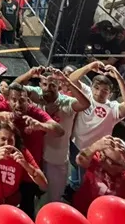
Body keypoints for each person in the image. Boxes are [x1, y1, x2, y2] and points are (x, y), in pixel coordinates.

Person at [17, 67, 91, 202]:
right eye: (45, 84)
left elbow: (85, 104)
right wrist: (29, 74)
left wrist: (67, 81)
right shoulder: (36, 94)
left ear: (59, 86)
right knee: (29, 195)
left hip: (56, 158)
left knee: (53, 199)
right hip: (34, 155)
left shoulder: (66, 101)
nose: (48, 88)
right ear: (40, 85)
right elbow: (14, 88)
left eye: (52, 85)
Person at [66, 61, 125, 197]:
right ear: (91, 87)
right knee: (75, 172)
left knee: (88, 181)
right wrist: (89, 66)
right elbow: (71, 79)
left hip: (97, 154)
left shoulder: (113, 108)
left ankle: (80, 199)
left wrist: (119, 78)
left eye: (105, 90)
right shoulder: (86, 94)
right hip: (76, 144)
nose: (99, 92)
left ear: (110, 93)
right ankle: (72, 190)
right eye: (97, 88)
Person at [0, 121, 47, 223]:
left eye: (11, 140)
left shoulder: (21, 151)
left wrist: (26, 165)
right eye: (3, 139)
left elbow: (44, 184)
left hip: (10, 201)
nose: (7, 144)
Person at [73, 135, 125, 214]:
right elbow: (80, 160)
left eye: (112, 161)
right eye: (102, 154)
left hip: (104, 215)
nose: (102, 159)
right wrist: (94, 147)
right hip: (81, 208)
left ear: (124, 166)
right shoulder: (97, 160)